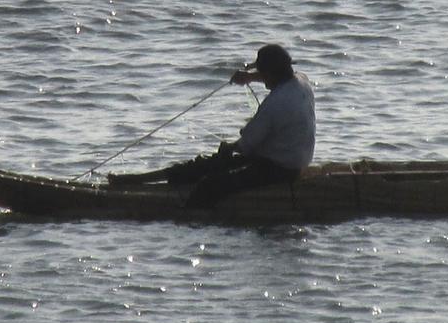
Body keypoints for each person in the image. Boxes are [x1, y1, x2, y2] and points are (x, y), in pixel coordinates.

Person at [109, 44, 316, 208]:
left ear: (270, 74)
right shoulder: (301, 82)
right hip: (294, 159)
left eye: (262, 73)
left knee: (210, 184)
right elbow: (273, 80)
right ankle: (133, 180)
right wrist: (249, 78)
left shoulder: (275, 104)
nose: (263, 80)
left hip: (279, 168)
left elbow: (246, 145)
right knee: (204, 166)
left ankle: (188, 215)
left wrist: (229, 148)